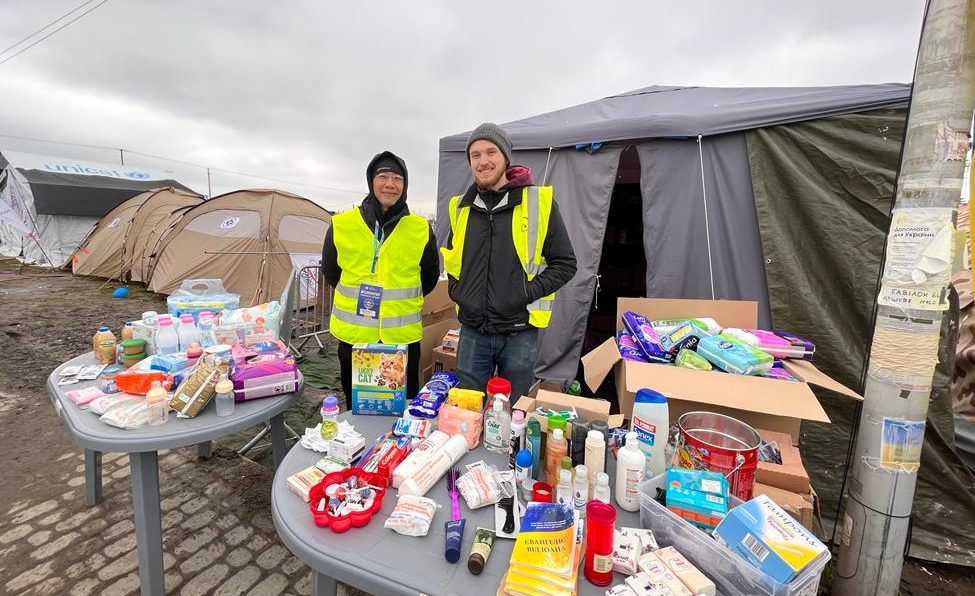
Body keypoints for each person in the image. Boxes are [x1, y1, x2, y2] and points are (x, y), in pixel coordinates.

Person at [441, 123, 576, 400]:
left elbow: (565, 264)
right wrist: (458, 292)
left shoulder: (538, 202)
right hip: (473, 332)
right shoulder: (460, 207)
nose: (483, 161)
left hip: (519, 333)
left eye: (491, 152)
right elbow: (452, 261)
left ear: (505, 157)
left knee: (514, 412)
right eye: (475, 155)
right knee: (468, 411)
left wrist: (524, 292)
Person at [322, 151, 440, 402]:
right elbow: (332, 272)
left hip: (401, 341)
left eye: (397, 178)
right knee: (357, 404)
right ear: (371, 181)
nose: (390, 184)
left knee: (402, 405)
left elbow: (429, 277)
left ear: (405, 185)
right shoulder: (342, 224)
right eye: (383, 176)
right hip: (355, 339)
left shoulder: (420, 229)